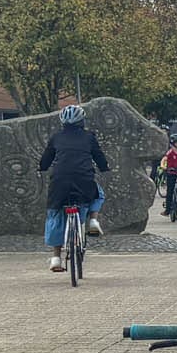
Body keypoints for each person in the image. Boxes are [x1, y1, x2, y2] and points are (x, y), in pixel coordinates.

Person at [38, 104, 109, 269]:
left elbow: (46, 159)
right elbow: (99, 156)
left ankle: (56, 257)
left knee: (55, 213)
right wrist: (104, 167)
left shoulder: (56, 137)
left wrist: (41, 168)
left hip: (60, 182)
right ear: (82, 121)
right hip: (84, 180)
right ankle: (92, 221)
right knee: (98, 193)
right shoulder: (89, 137)